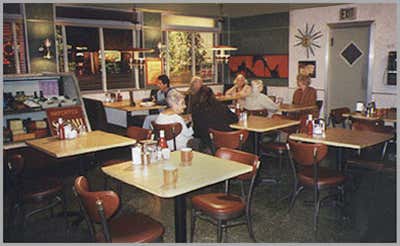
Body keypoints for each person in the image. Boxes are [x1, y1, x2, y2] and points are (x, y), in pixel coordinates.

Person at [191, 86, 238, 152]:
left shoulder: (196, 109)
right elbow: (235, 119)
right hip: (226, 142)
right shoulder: (222, 107)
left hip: (207, 143)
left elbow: (196, 131)